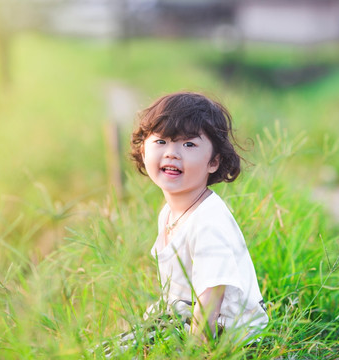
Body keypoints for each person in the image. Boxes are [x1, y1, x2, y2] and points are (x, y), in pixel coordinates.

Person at [104, 91, 268, 356]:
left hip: (226, 334)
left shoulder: (208, 222)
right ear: (143, 149)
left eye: (188, 145)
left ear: (213, 161)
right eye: (161, 141)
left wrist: (193, 352)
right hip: (184, 319)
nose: (172, 154)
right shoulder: (170, 213)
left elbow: (210, 300)